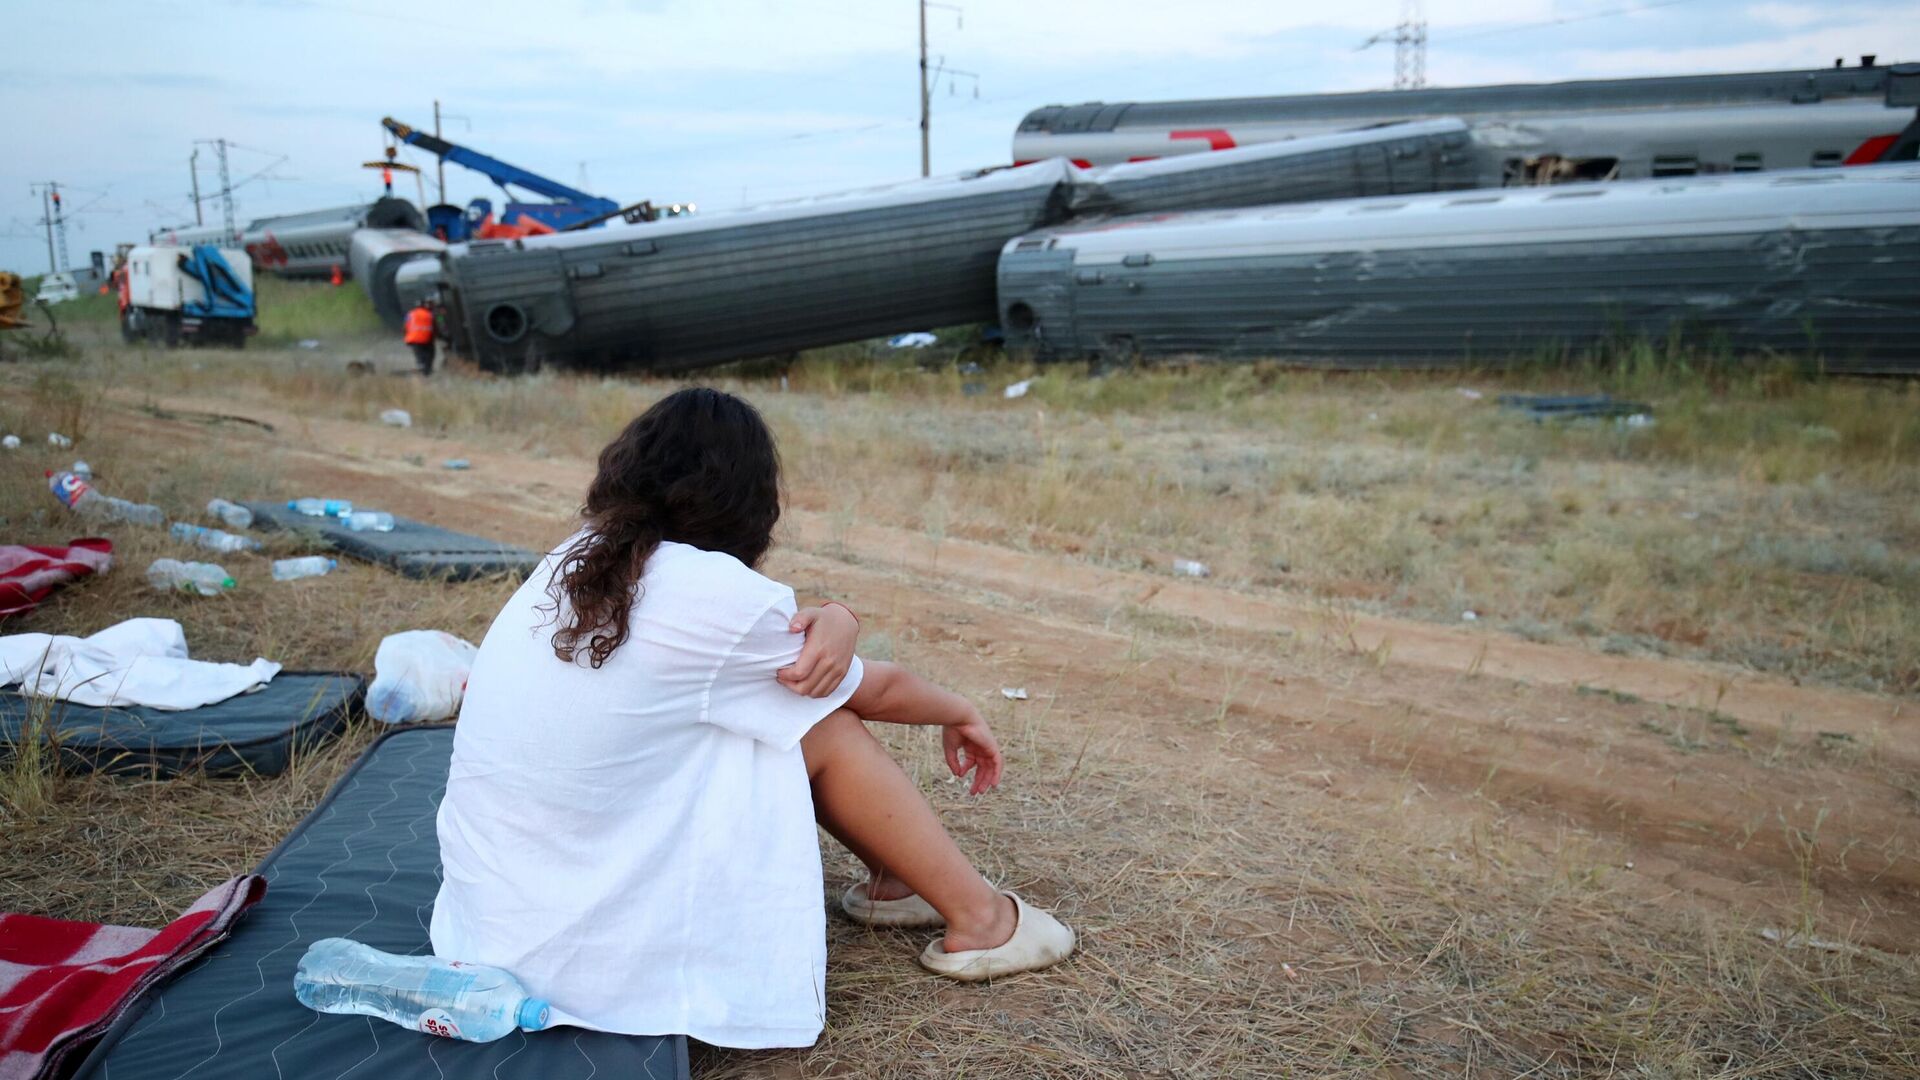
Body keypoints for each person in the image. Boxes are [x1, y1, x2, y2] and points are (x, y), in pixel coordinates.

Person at [430, 388, 1073, 1050]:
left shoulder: (576, 560)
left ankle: (895, 880)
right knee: (816, 723)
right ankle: (982, 919)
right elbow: (869, 689)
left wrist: (840, 616)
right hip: (579, 959)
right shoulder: (706, 589)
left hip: (490, 924)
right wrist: (960, 709)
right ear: (748, 498)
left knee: (776, 709)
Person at [403, 299, 436, 376]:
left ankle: (421, 366)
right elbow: (434, 327)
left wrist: (406, 337)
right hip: (427, 339)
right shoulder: (429, 314)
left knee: (419, 356)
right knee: (429, 355)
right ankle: (427, 370)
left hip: (414, 339)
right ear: (424, 306)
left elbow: (405, 326)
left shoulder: (409, 314)